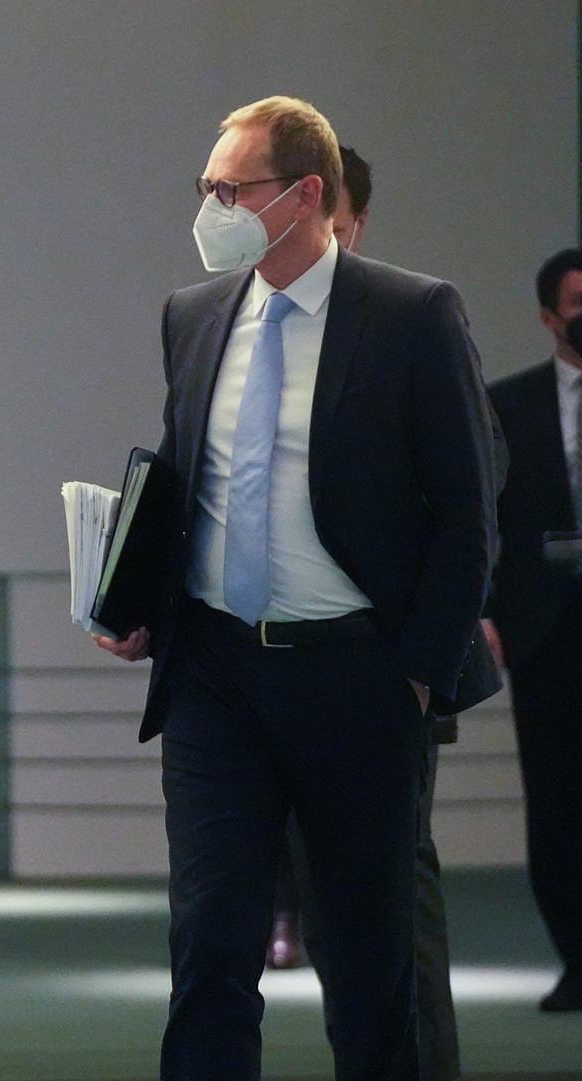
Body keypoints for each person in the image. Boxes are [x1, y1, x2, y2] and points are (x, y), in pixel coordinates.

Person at [93, 97, 498, 1081]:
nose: (212, 208)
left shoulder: (411, 314)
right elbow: (188, 479)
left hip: (356, 674)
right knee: (211, 946)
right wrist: (138, 596)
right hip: (217, 676)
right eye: (206, 190)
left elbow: (466, 511)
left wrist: (414, 674)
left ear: (308, 195)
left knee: (366, 959)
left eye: (232, 190)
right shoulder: (192, 315)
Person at [261, 144, 465, 1080]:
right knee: (333, 905)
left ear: (346, 218)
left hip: (381, 670)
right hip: (277, 670)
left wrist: (417, 667)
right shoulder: (239, 322)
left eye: (331, 224)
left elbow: (474, 493)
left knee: (389, 910)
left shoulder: (411, 316)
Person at [483, 246, 582, 1013]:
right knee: (553, 801)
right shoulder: (508, 404)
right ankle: (577, 957)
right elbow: (480, 518)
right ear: (550, 316)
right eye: (576, 301)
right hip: (543, 629)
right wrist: (484, 611)